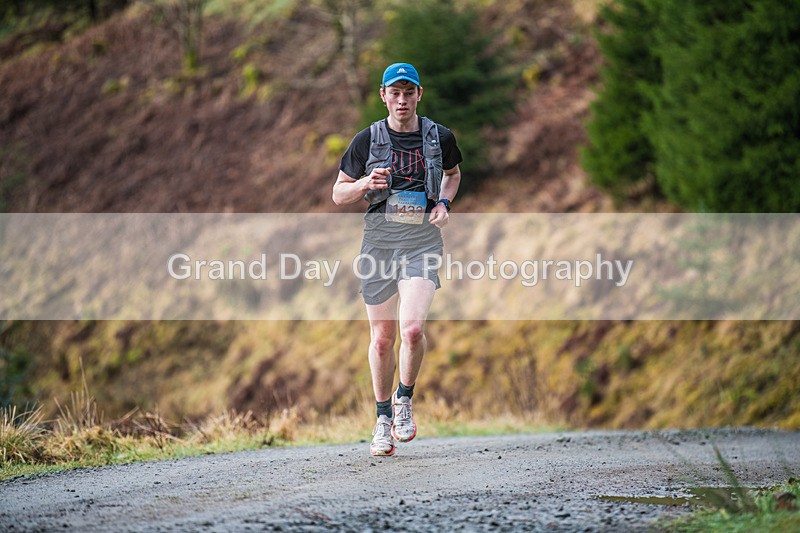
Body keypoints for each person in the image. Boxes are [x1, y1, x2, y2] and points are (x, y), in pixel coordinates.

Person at [332, 62, 463, 456]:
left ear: (419, 94)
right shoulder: (366, 140)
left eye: (409, 92)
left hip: (422, 242)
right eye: (395, 93)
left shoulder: (440, 136)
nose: (402, 100)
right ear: (383, 96)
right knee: (384, 338)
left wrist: (443, 203)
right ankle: (382, 418)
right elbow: (338, 194)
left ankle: (404, 400)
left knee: (412, 330)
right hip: (378, 245)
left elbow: (453, 174)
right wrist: (363, 184)